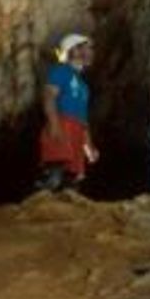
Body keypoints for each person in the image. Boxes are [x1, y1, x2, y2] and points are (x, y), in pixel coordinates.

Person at [38, 31, 99, 193]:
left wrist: (89, 148)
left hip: (77, 132)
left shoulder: (84, 86)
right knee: (55, 176)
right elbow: (49, 96)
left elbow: (83, 120)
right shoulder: (61, 71)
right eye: (88, 48)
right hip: (62, 125)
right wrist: (54, 125)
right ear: (74, 51)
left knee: (72, 181)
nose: (92, 52)